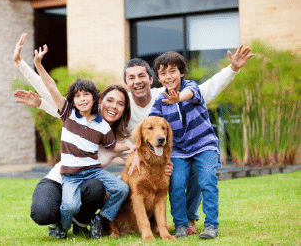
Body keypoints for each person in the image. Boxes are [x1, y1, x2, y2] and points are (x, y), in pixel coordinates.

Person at [13, 33, 254, 238]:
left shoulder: (157, 102)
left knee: (106, 186)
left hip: (89, 180)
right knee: (44, 212)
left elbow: (204, 90)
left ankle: (186, 219)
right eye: (111, 100)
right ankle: (62, 221)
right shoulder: (88, 116)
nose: (114, 106)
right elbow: (54, 98)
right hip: (62, 177)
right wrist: (24, 68)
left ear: (151, 79)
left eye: (119, 104)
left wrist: (232, 68)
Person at [125, 45, 254, 235]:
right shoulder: (159, 102)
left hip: (204, 145)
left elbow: (192, 94)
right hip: (179, 151)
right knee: (176, 184)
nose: (169, 76)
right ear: (158, 79)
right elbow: (149, 125)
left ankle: (211, 225)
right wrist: (137, 150)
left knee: (207, 181)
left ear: (182, 73)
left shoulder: (190, 87)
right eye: (163, 73)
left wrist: (178, 99)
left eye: (173, 71)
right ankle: (181, 225)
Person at [32, 43, 136, 239]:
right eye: (77, 96)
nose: (81, 99)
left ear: (95, 99)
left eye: (86, 94)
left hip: (93, 172)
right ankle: (62, 226)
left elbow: (112, 146)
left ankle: (100, 218)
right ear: (72, 101)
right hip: (70, 175)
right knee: (71, 205)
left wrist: (131, 147)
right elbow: (51, 87)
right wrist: (38, 64)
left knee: (122, 189)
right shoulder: (68, 115)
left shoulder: (102, 125)